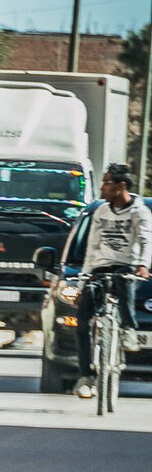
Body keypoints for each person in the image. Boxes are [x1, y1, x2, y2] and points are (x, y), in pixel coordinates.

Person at [73, 163, 152, 399]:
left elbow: (147, 241)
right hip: (99, 268)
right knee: (82, 319)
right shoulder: (100, 212)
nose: (103, 187)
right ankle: (86, 376)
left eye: (107, 182)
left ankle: (128, 329)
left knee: (124, 283)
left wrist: (142, 265)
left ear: (121, 186)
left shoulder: (140, 212)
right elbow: (91, 248)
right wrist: (81, 283)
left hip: (127, 266)